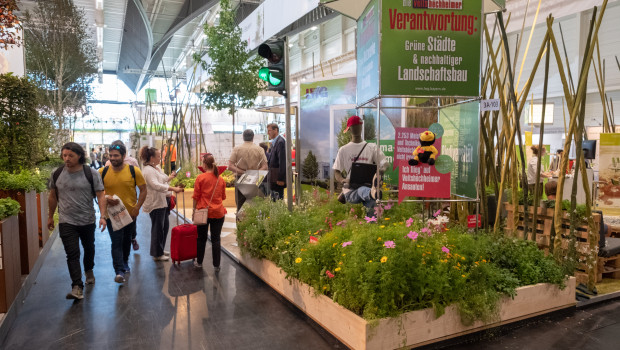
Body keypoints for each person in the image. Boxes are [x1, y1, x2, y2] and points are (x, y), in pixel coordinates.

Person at [48, 142, 107, 300]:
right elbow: (53, 196)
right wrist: (49, 216)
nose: (66, 158)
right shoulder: (57, 173)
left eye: (70, 156)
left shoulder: (91, 173)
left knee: (89, 249)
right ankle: (77, 286)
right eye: (64, 155)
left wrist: (103, 216)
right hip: (66, 220)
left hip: (87, 219)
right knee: (72, 253)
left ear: (79, 155)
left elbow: (101, 195)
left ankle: (89, 270)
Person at [99, 140, 147, 283]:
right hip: (111, 215)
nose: (113, 158)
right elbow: (97, 192)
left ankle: (125, 262)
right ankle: (119, 270)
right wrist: (106, 198)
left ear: (124, 155)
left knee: (126, 240)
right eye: (110, 156)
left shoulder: (134, 171)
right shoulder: (102, 172)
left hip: (129, 214)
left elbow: (144, 190)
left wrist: (137, 208)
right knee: (116, 241)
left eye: (116, 156)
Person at [333, 115, 388, 217]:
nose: (356, 129)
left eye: (357, 126)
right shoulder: (343, 150)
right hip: (351, 190)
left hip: (368, 185)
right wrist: (343, 180)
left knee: (373, 210)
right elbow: (336, 172)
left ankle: (373, 224)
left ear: (348, 129)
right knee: (364, 191)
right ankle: (372, 192)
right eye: (355, 127)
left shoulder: (372, 147)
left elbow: (384, 164)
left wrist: (379, 172)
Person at [140, 146, 184, 262]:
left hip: (162, 202)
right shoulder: (148, 170)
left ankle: (159, 249)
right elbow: (156, 185)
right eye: (159, 156)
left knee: (164, 227)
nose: (161, 158)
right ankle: (157, 254)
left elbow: (163, 179)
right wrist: (174, 188)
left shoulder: (155, 168)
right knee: (157, 229)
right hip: (155, 204)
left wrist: (170, 177)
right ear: (152, 158)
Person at [192, 153, 227, 271]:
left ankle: (199, 262)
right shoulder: (220, 179)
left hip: (203, 213)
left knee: (201, 238)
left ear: (205, 165)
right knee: (216, 239)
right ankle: (217, 265)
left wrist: (193, 210)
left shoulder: (200, 178)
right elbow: (223, 197)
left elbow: (196, 197)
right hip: (218, 213)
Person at [228, 129, 268, 211]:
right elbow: (265, 166)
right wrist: (254, 173)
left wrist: (243, 172)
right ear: (253, 137)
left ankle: (240, 222)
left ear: (243, 137)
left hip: (240, 179)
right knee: (255, 205)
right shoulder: (259, 149)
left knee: (240, 205)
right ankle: (253, 223)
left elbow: (230, 166)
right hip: (255, 180)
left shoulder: (237, 149)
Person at [267, 123, 287, 200]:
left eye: (269, 130)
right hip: (274, 177)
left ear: (276, 130)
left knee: (277, 199)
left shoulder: (280, 142)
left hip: (278, 179)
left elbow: (282, 161)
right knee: (274, 199)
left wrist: (281, 178)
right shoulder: (275, 142)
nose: (268, 133)